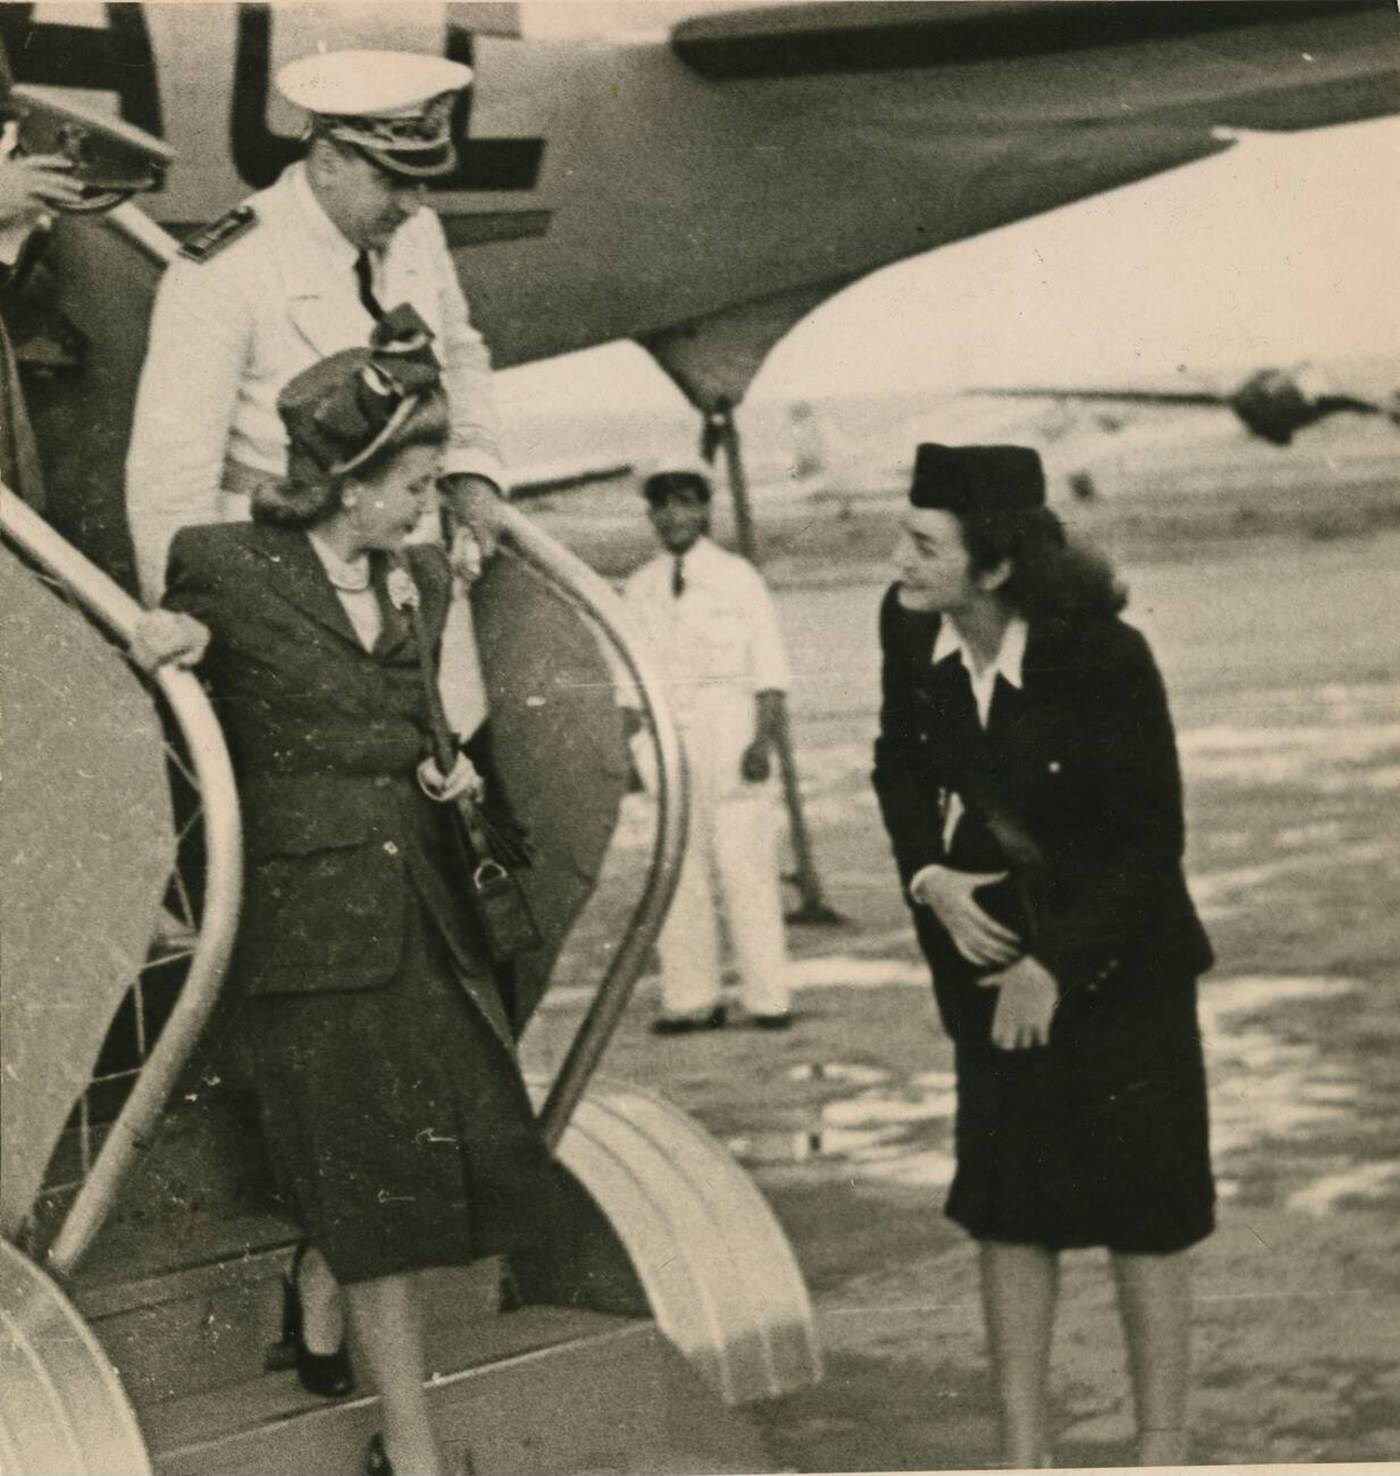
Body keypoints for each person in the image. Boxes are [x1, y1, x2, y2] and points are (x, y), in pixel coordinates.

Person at [131, 310, 559, 1476]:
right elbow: (192, 643)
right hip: (312, 931)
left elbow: (409, 714)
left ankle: (314, 1282)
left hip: (420, 908)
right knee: (378, 1190)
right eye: (414, 481)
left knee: (424, 1167)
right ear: (346, 481)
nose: (427, 502)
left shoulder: (415, 576)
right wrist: (171, 639)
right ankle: (411, 1454)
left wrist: (446, 763)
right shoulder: (223, 564)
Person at [872, 443, 1215, 1469]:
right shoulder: (905, 625)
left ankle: (1160, 1455)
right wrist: (924, 875)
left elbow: (1146, 841)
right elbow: (896, 762)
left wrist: (1052, 967)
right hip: (989, 958)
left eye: (923, 544)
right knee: (1008, 1209)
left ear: (995, 566)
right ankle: (1020, 1458)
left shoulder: (1102, 657)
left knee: (1142, 1216)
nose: (897, 559)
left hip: (1117, 968)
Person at [124, 47, 506, 737]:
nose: (414, 202)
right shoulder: (226, 268)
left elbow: (464, 352)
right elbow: (168, 484)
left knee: (446, 787)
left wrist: (475, 469)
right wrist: (194, 638)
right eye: (394, 179)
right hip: (290, 597)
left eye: (424, 181)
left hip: (414, 578)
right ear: (327, 158)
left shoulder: (417, 234)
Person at [621, 466, 794, 1033]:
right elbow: (628, 678)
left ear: (704, 511)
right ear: (651, 516)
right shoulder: (640, 585)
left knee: (746, 866)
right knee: (675, 871)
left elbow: (769, 668)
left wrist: (763, 740)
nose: (673, 516)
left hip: (732, 730)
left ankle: (768, 998)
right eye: (662, 506)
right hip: (666, 736)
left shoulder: (737, 577)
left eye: (685, 504)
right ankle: (692, 998)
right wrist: (629, 755)